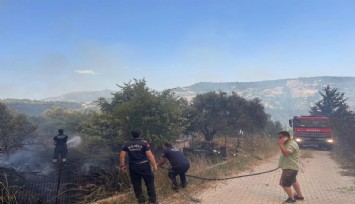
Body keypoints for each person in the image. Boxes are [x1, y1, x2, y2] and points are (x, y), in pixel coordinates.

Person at [120, 130, 158, 204]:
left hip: (133, 167)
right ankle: (152, 201)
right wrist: (155, 165)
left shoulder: (126, 144)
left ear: (131, 135)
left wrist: (122, 166)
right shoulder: (144, 143)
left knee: (136, 184)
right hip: (144, 166)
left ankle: (141, 201)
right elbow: (150, 155)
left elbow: (122, 156)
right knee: (149, 183)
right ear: (140, 135)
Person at [278, 131, 304, 203]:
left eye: (281, 137)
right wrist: (282, 144)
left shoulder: (291, 144)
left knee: (284, 184)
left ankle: (291, 199)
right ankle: (299, 196)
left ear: (286, 137)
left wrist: (281, 144)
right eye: (279, 137)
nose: (279, 139)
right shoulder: (289, 143)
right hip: (291, 168)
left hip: (290, 168)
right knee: (293, 181)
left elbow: (286, 153)